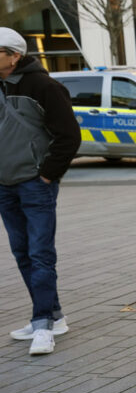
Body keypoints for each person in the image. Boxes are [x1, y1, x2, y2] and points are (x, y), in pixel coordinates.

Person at [0, 27, 81, 355]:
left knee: (40, 253)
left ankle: (43, 324)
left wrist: (47, 175)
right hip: (4, 186)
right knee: (22, 252)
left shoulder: (45, 86)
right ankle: (53, 317)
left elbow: (69, 136)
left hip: (35, 184)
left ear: (14, 56)